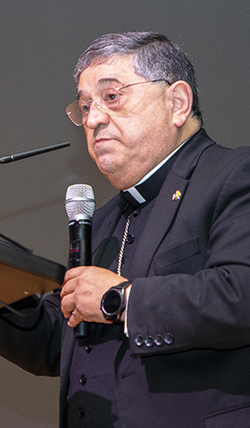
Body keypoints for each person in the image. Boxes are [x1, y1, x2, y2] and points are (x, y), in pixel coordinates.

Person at [1, 31, 250, 428]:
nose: (94, 118)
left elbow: (240, 293)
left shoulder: (235, 175)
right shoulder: (101, 222)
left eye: (111, 96)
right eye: (84, 106)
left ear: (177, 103)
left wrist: (120, 299)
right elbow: (56, 340)